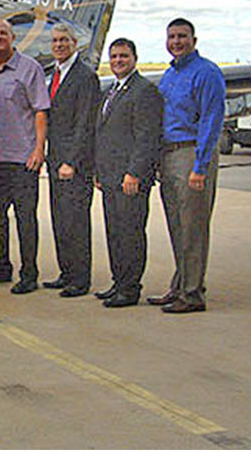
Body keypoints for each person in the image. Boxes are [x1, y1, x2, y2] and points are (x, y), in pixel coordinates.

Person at [152, 18, 226, 314]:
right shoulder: (169, 74)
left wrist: (201, 165)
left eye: (182, 36)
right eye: (172, 37)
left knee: (193, 226)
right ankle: (180, 284)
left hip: (191, 153)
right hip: (169, 155)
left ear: (194, 40)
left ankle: (193, 294)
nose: (177, 41)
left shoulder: (207, 73)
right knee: (177, 225)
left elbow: (211, 120)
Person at [0, 18, 50, 294]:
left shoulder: (30, 69)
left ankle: (29, 273)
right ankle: (0, 267)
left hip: (22, 158)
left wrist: (39, 149)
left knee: (25, 218)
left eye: (3, 33)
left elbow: (40, 111)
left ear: (13, 37)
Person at [94, 39, 164, 308]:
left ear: (135, 58)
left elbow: (147, 138)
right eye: (114, 57)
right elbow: (105, 134)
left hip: (130, 178)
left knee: (131, 232)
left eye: (123, 56)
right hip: (110, 176)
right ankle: (118, 282)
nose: (118, 61)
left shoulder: (144, 91)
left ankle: (130, 288)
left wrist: (135, 172)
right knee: (115, 232)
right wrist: (99, 171)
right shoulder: (112, 90)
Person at [43, 23, 100, 298]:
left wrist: (72, 161)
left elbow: (85, 125)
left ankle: (79, 279)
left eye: (64, 40)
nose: (59, 45)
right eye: (55, 41)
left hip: (72, 164)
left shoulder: (85, 77)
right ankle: (66, 272)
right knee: (60, 219)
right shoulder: (55, 74)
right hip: (54, 161)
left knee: (76, 221)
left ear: (75, 43)